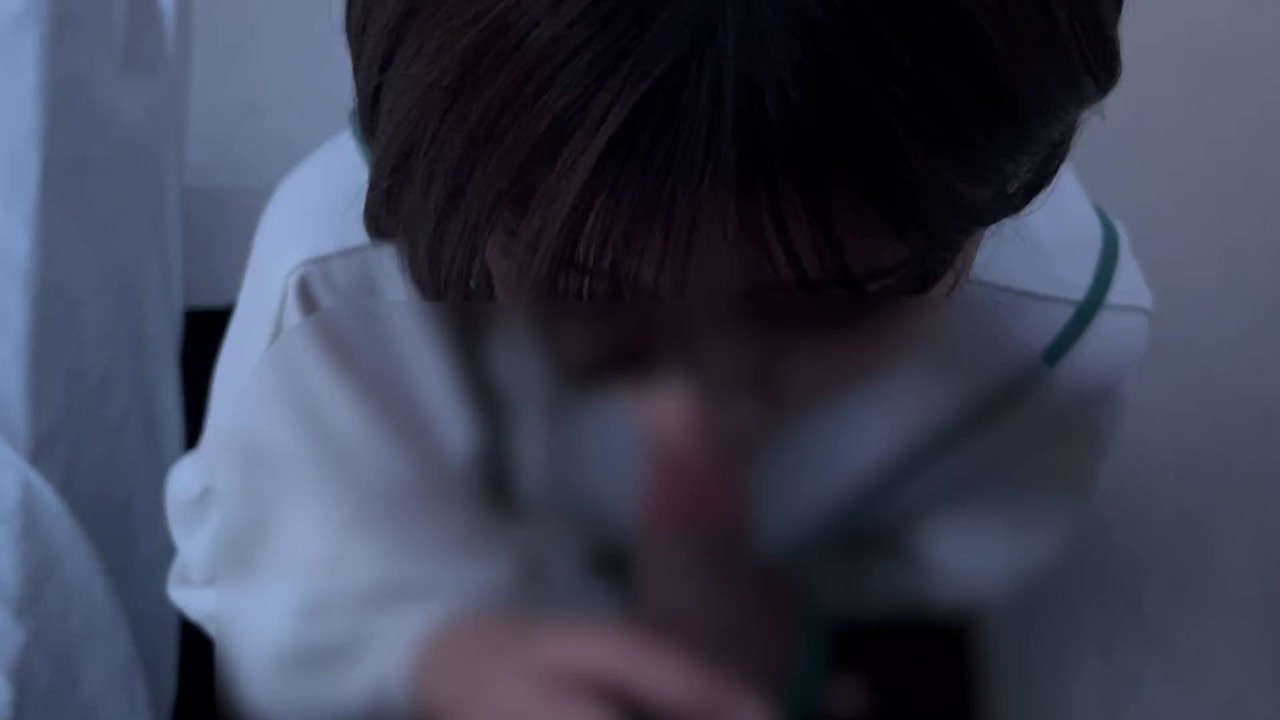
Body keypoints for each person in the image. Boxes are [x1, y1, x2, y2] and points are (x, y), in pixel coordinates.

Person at [166, 0, 1153, 717]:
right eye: (591, 296)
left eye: (830, 305)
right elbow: (241, 586)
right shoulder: (334, 292)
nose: (697, 404)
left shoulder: (1047, 331)